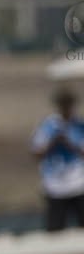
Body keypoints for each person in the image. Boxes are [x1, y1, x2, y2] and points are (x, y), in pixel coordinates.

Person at [32, 89, 84, 231]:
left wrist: (69, 143)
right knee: (55, 230)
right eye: (63, 104)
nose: (66, 107)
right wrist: (53, 142)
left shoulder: (80, 125)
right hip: (55, 186)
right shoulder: (48, 126)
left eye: (69, 104)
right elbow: (36, 153)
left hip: (79, 184)